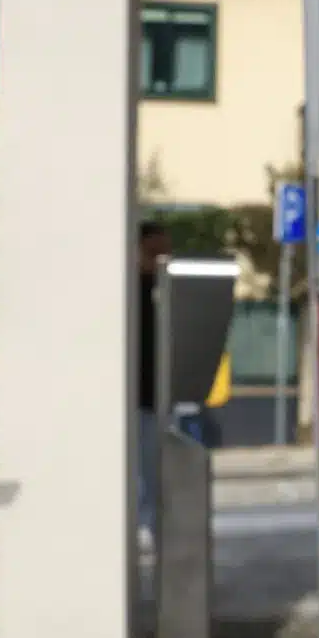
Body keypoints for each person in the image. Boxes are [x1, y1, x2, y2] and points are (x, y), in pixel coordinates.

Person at [135, 218, 172, 555]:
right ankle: (143, 525)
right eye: (154, 252)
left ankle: (151, 524)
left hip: (157, 394)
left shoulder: (163, 290)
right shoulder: (133, 290)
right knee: (142, 469)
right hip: (137, 395)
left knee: (154, 467)